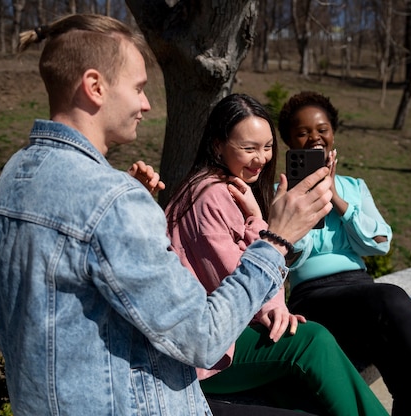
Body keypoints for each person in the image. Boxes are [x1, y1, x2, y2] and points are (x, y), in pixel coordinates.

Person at [0, 15, 334, 416]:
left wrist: (131, 212)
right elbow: (203, 336)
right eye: (138, 88)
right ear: (95, 87)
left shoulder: (16, 174)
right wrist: (274, 240)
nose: (146, 104)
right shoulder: (111, 200)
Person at [164, 93, 389, 416]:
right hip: (202, 352)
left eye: (267, 147)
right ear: (217, 146)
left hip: (214, 336)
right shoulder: (211, 196)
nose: (262, 158)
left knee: (308, 389)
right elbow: (243, 286)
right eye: (249, 148)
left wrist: (257, 217)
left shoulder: (223, 187)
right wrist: (260, 225)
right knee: (313, 341)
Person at [277, 91, 411, 416]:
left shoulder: (354, 187)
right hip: (315, 300)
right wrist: (308, 201)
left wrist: (336, 198)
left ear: (333, 132)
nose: (314, 138)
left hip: (363, 295)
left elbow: (379, 242)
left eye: (321, 129)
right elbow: (288, 257)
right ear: (289, 141)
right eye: (303, 132)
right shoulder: (283, 194)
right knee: (392, 298)